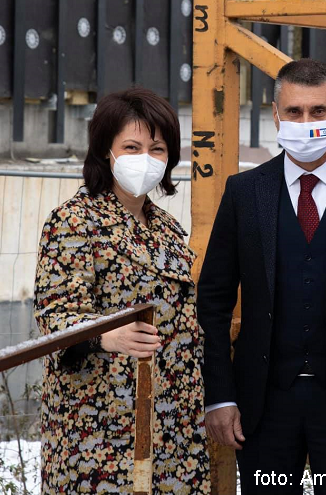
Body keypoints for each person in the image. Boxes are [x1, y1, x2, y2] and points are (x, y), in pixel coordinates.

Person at [197, 58, 326, 494]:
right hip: (262, 404)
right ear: (276, 115)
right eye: (294, 112)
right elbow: (213, 301)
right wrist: (220, 394)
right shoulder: (243, 192)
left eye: (318, 111)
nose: (306, 121)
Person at [34, 87, 210, 494]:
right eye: (131, 147)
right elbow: (55, 313)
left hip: (173, 422)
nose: (145, 159)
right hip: (102, 427)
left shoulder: (165, 226)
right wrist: (104, 334)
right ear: (105, 151)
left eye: (157, 148)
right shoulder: (74, 220)